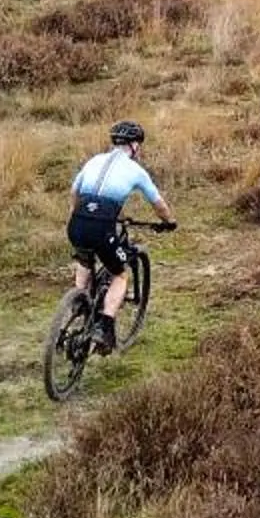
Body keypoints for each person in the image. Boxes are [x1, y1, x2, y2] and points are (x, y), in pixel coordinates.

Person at [69, 121, 171, 354]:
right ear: (134, 146)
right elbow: (159, 204)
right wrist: (169, 222)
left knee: (85, 259)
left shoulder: (94, 160)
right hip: (102, 228)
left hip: (77, 222)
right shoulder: (136, 170)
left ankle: (78, 300)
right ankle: (104, 327)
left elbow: (75, 193)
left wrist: (76, 217)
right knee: (120, 274)